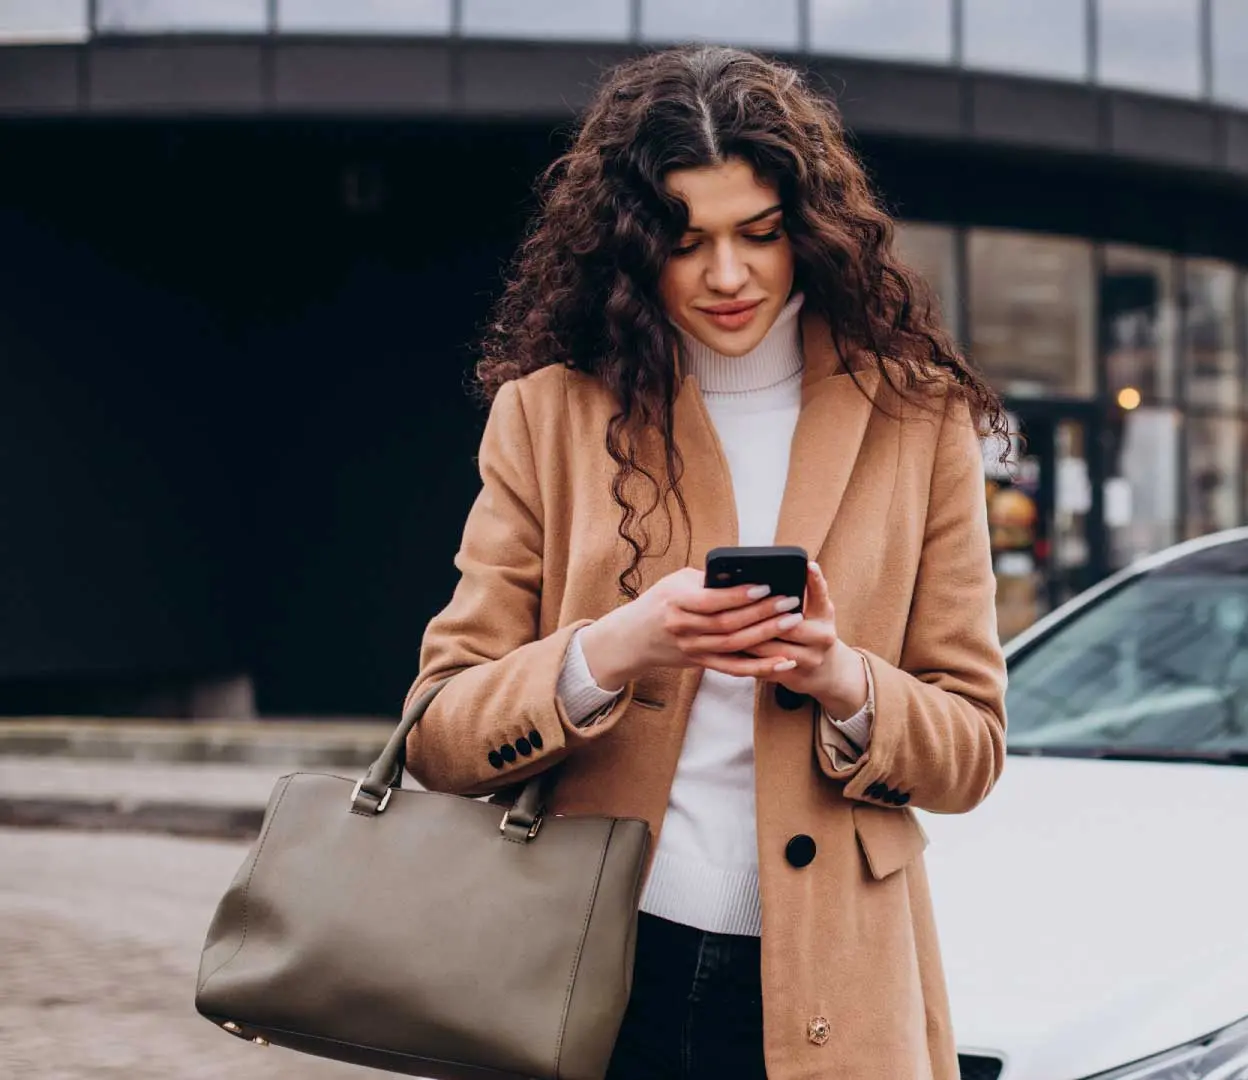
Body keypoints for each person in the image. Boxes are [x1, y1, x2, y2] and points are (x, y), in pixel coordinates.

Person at [401, 45, 1010, 1080]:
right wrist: (613, 648)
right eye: (686, 243)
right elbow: (438, 734)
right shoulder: (549, 414)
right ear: (630, 247)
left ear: (807, 227)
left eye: (759, 234)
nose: (728, 276)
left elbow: (972, 749)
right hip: (590, 975)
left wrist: (841, 679)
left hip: (833, 986)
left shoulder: (917, 419)